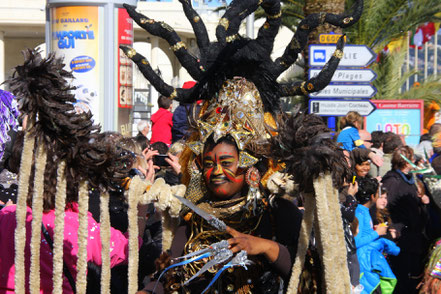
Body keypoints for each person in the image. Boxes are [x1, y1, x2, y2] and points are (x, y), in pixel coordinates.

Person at [382, 146, 430, 294]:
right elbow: (385, 207)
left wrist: (423, 200)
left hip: (413, 236)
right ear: (406, 162)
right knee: (401, 275)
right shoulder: (392, 181)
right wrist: (392, 227)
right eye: (412, 159)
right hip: (400, 237)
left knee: (411, 275)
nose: (415, 161)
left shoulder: (412, 179)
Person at [354, 177, 400, 294]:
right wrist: (377, 233)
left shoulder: (364, 211)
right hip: (362, 266)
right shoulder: (359, 212)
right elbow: (356, 241)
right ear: (373, 196)